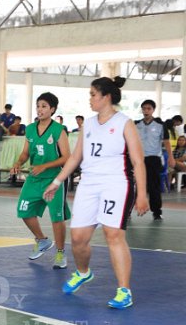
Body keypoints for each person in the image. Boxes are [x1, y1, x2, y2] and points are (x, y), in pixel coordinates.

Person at [43, 76, 148, 309]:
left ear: (106, 96)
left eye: (93, 94)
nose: (89, 99)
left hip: (116, 184)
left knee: (113, 235)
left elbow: (138, 161)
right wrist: (57, 181)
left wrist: (142, 194)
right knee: (79, 238)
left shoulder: (124, 123)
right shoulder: (88, 124)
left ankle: (124, 291)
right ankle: (83, 272)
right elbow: (75, 157)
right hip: (89, 185)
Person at [11, 92, 71, 269]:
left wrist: (45, 166)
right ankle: (42, 240)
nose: (40, 109)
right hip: (34, 178)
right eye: (38, 106)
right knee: (23, 210)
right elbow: (25, 153)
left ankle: (60, 253)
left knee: (56, 217)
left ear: (52, 109)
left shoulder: (59, 130)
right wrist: (18, 162)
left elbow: (67, 157)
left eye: (44, 106)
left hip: (54, 179)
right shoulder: (30, 129)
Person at [135, 100, 174, 220]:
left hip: (154, 159)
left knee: (154, 187)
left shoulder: (161, 125)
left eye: (149, 108)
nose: (146, 111)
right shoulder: (135, 125)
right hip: (138, 159)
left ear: (153, 110)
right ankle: (128, 210)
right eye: (144, 108)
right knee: (135, 186)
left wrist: (171, 157)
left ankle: (157, 212)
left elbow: (166, 142)